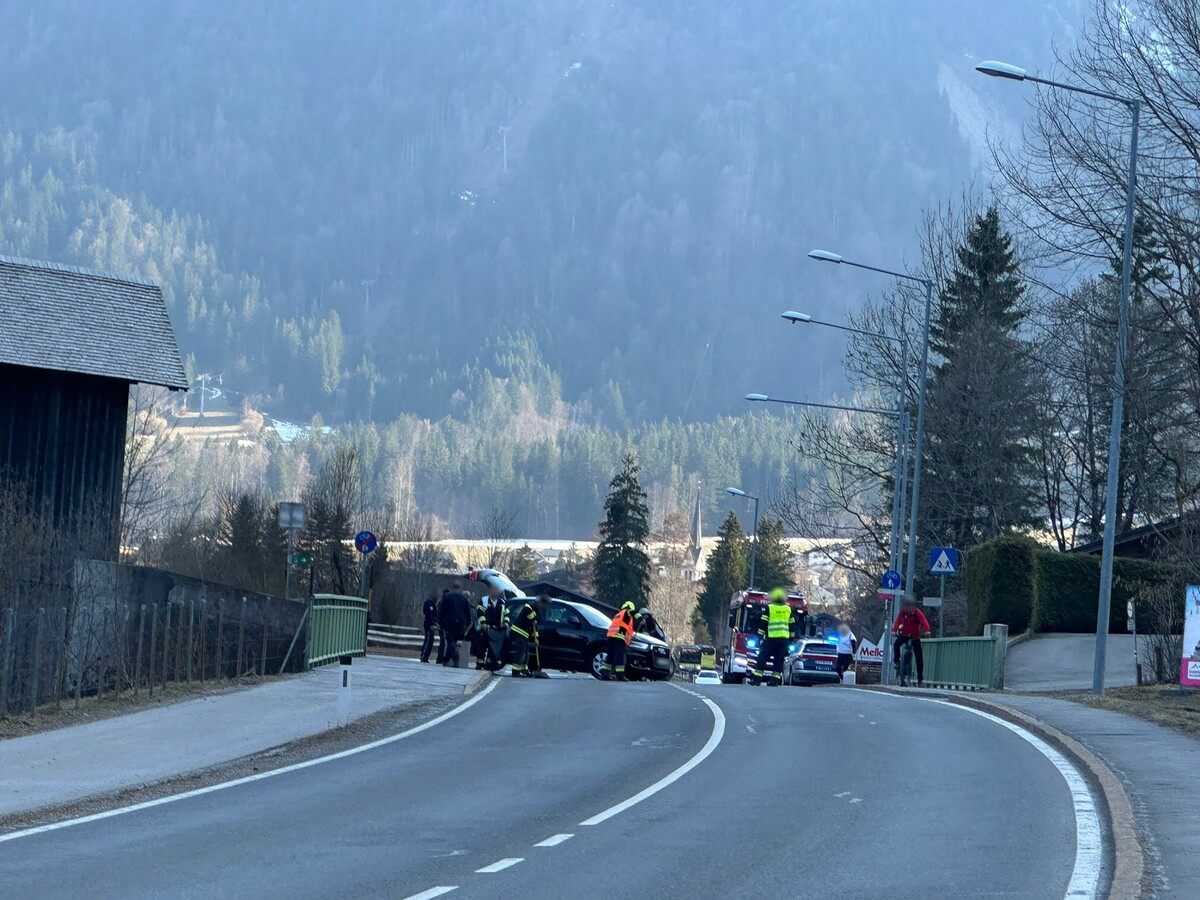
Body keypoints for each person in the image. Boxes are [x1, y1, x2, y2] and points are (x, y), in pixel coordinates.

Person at [753, 588, 801, 687]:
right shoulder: (788, 609)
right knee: (779, 660)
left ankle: (757, 680)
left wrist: (759, 638)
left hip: (771, 639)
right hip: (783, 640)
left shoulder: (770, 608)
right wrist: (791, 640)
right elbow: (792, 625)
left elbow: (763, 624)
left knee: (762, 657)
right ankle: (774, 681)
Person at [892, 598, 932, 686]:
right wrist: (894, 630)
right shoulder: (903, 612)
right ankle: (897, 661)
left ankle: (920, 679)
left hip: (915, 636)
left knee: (919, 657)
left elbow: (924, 620)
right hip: (905, 635)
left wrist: (927, 630)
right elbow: (898, 621)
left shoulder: (917, 612)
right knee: (896, 644)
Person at [510, 594, 550, 678]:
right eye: (544, 604)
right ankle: (515, 671)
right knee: (521, 652)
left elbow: (535, 627)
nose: (544, 606)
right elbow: (526, 609)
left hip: (525, 635)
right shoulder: (531, 605)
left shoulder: (539, 613)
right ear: (540, 602)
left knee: (526, 652)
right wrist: (533, 618)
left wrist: (536, 638)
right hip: (518, 631)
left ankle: (524, 670)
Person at [438, 582, 472, 668]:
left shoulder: (447, 597)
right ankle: (446, 659)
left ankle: (455, 658)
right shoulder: (463, 598)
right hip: (460, 624)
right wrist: (468, 623)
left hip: (449, 622)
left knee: (450, 641)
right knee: (454, 641)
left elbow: (441, 610)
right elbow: (467, 612)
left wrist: (440, 621)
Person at [604, 601, 637, 681]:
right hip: (619, 637)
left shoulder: (618, 614)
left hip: (611, 636)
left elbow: (624, 626)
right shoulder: (627, 613)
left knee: (610, 656)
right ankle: (620, 675)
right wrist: (640, 618)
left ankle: (605, 674)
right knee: (620, 657)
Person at [481, 585, 510, 673]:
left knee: (494, 648)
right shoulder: (484, 600)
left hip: (498, 629)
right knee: (482, 646)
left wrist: (506, 622)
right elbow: (480, 612)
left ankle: (492, 665)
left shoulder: (502, 602)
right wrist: (483, 623)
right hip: (487, 628)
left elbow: (507, 613)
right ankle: (480, 664)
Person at [420, 594, 439, 663]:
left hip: (432, 624)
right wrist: (433, 623)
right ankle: (424, 656)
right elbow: (429, 615)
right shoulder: (429, 603)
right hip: (428, 625)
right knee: (428, 641)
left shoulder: (434, 604)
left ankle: (426, 656)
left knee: (430, 641)